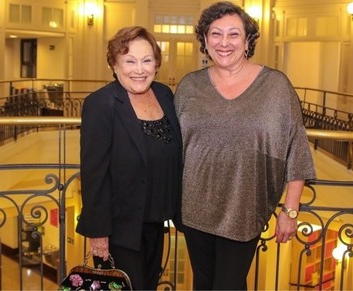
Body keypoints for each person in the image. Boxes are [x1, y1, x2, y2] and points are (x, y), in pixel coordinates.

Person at [174, 2, 316, 290]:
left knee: (229, 284)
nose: (224, 43)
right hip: (193, 210)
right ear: (204, 40)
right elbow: (173, 147)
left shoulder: (276, 87)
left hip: (244, 210)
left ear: (248, 40)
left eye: (233, 34)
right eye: (215, 34)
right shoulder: (189, 86)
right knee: (203, 284)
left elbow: (296, 150)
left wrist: (290, 211)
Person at [76, 26, 183, 290]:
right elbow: (94, 173)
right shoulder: (101, 104)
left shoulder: (164, 95)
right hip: (119, 231)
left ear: (156, 64)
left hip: (156, 225)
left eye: (147, 60)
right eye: (130, 61)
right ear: (114, 65)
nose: (139, 69)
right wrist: (98, 232)